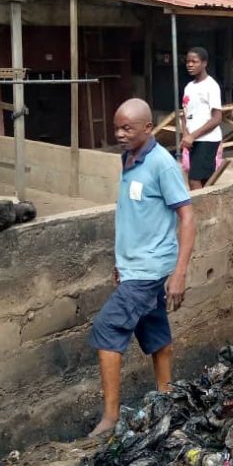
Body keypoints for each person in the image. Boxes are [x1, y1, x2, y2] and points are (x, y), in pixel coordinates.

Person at [89, 98, 195, 437]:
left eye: (127, 128)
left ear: (148, 128)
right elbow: (133, 216)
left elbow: (188, 217)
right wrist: (121, 262)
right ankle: (166, 398)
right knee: (156, 333)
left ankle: (110, 418)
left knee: (107, 331)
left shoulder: (163, 165)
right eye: (117, 127)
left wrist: (179, 273)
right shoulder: (128, 157)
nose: (119, 134)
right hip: (135, 268)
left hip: (150, 271)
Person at [181, 47, 223, 190]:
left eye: (194, 61)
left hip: (207, 140)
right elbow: (185, 115)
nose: (190, 65)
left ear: (204, 63)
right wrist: (186, 135)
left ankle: (196, 212)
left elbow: (217, 118)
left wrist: (193, 135)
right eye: (188, 61)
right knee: (203, 182)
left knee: (194, 180)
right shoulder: (188, 87)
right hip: (193, 141)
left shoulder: (211, 86)